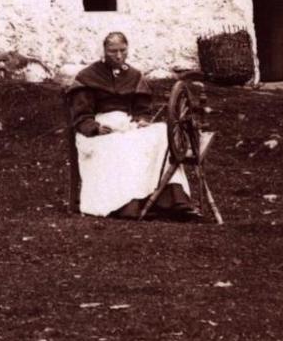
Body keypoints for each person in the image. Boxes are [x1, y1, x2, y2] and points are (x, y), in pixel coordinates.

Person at [68, 32, 200, 219]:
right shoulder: (88, 76)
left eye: (123, 50)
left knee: (162, 135)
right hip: (101, 129)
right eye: (113, 51)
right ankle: (128, 205)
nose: (119, 55)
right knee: (121, 146)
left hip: (128, 125)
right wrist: (95, 128)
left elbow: (142, 108)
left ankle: (173, 199)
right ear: (104, 51)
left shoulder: (134, 75)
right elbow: (81, 115)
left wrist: (142, 120)